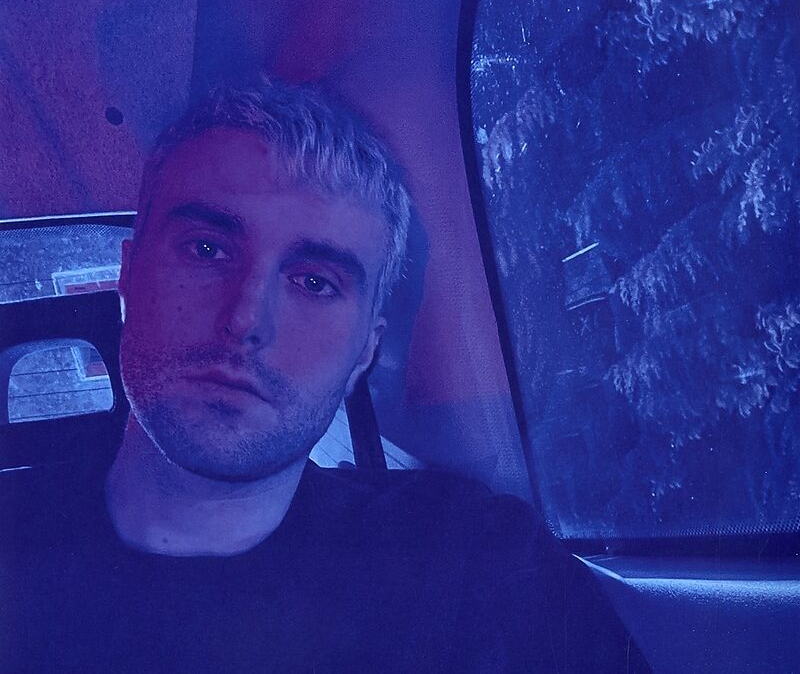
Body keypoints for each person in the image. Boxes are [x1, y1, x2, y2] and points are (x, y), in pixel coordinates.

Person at [1, 78, 643, 673]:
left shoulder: (479, 570)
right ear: (128, 274)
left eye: (315, 283)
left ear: (366, 349)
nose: (245, 320)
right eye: (206, 249)